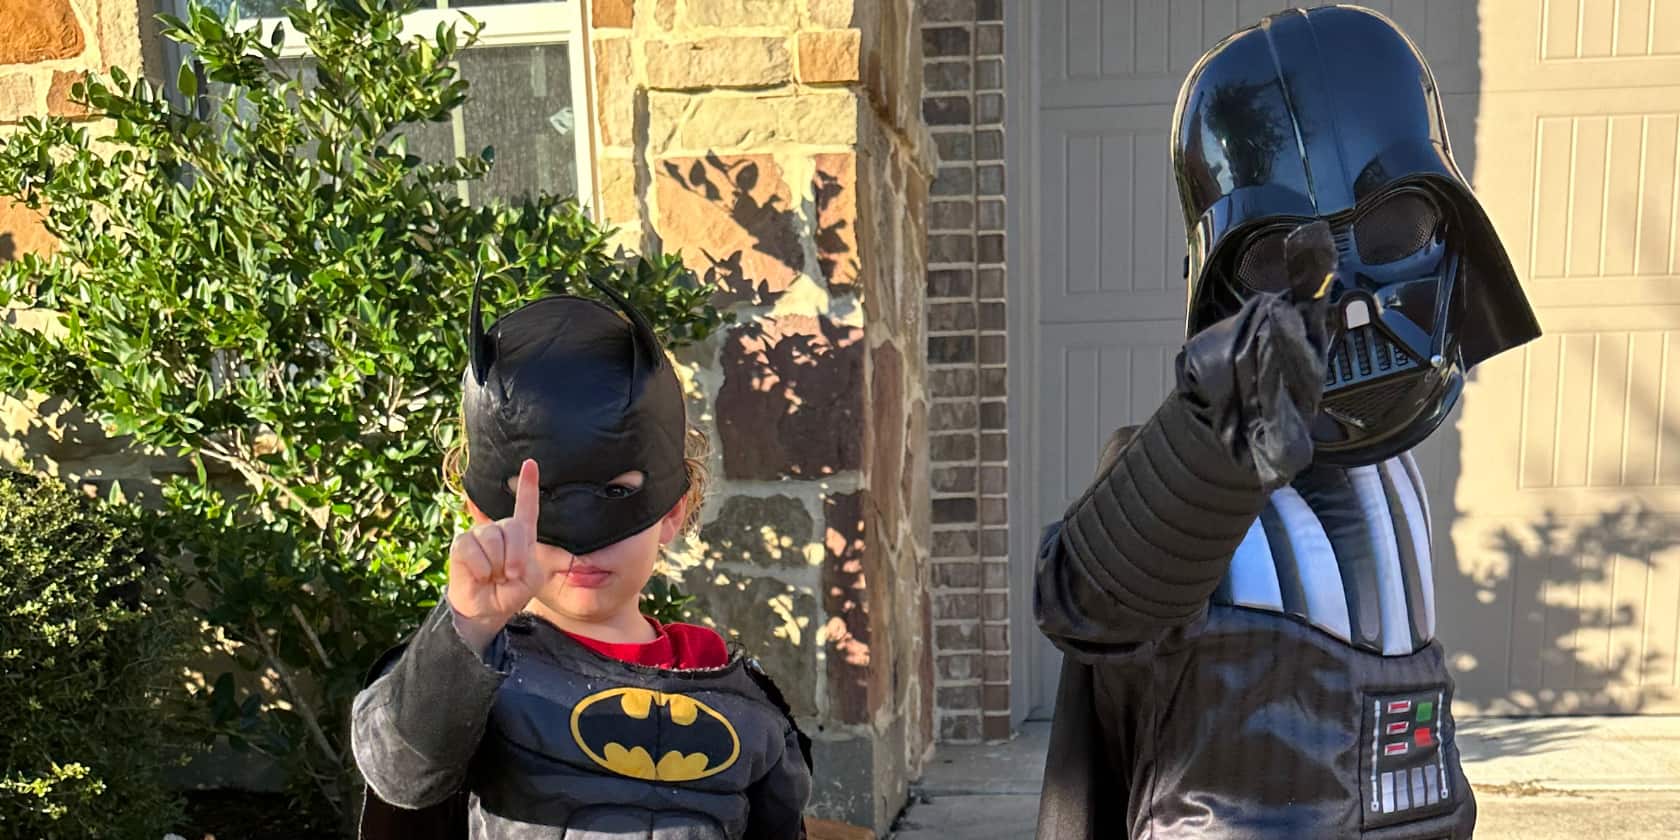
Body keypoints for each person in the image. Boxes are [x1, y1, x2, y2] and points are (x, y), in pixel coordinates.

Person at [1033, 6, 1542, 839]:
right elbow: (1082, 600)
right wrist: (1207, 445)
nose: (1346, 299)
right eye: (1279, 256)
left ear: (1449, 227)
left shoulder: (1393, 489)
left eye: (1392, 228)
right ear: (1226, 279)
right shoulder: (1183, 487)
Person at [351, 275, 812, 839]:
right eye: (540, 503)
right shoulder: (472, 672)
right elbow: (400, 775)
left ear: (673, 509)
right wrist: (467, 626)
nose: (582, 542)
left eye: (619, 494)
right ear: (483, 511)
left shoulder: (742, 700)